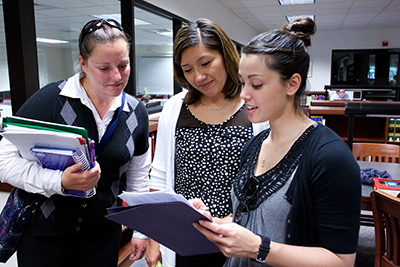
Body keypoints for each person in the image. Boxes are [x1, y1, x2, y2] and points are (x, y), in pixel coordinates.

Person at [193, 16, 361, 267]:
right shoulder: (254, 144)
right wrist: (211, 222)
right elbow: (247, 222)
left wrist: (259, 248)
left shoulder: (330, 157)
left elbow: (341, 261)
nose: (244, 94)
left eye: (257, 84)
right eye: (242, 82)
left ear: (292, 84)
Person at [0, 19, 151, 267]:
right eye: (104, 68)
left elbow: (138, 179)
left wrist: (140, 230)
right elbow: (4, 162)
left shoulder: (136, 113)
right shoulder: (50, 100)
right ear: (82, 63)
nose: (116, 76)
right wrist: (59, 182)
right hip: (45, 237)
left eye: (123, 65)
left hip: (102, 238)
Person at [146, 18, 267, 267]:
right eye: (188, 69)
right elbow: (158, 179)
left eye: (205, 63)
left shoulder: (253, 106)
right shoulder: (175, 108)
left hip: (237, 237)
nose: (199, 76)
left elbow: (267, 181)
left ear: (226, 55)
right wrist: (154, 239)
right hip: (184, 238)